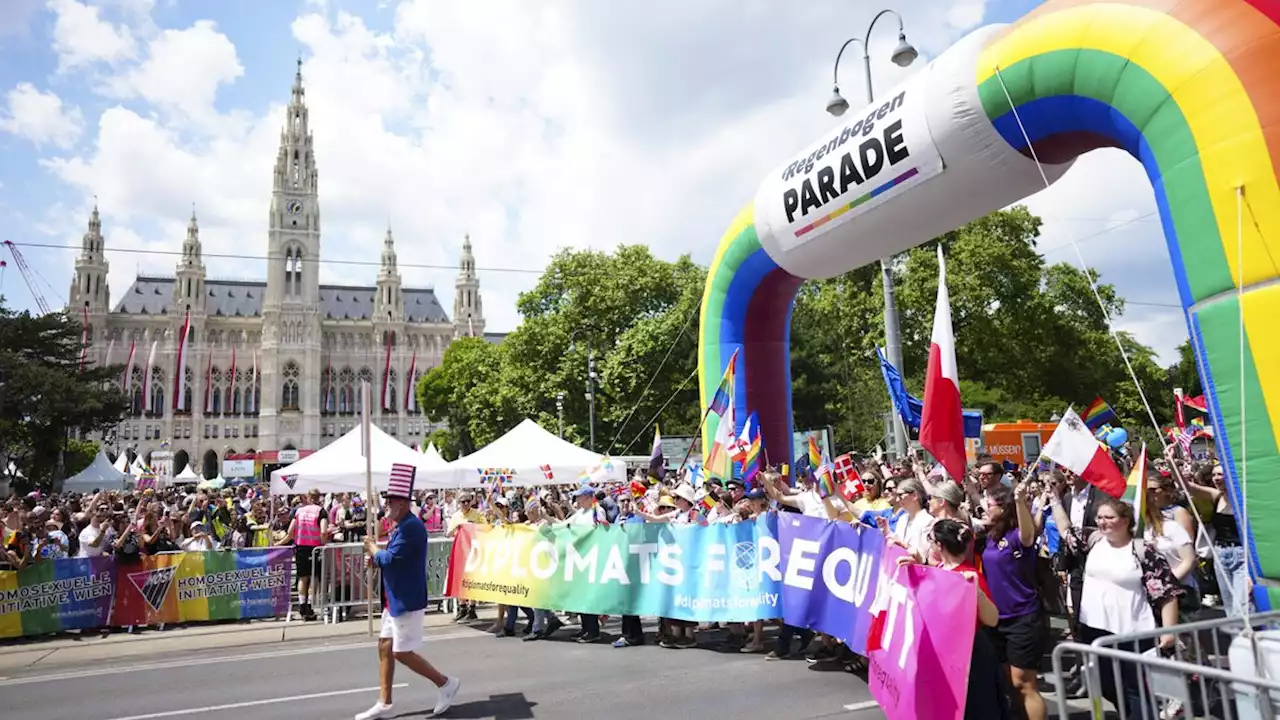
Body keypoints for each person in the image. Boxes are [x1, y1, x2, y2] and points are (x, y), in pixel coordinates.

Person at [357, 466, 460, 720]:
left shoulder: (410, 527)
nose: (386, 505)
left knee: (400, 652)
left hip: (406, 599)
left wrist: (373, 549)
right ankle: (385, 702)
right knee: (384, 646)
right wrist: (376, 557)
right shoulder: (402, 525)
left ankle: (445, 683)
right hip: (394, 598)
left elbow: (390, 558)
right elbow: (392, 557)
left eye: (390, 501)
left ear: (402, 503)